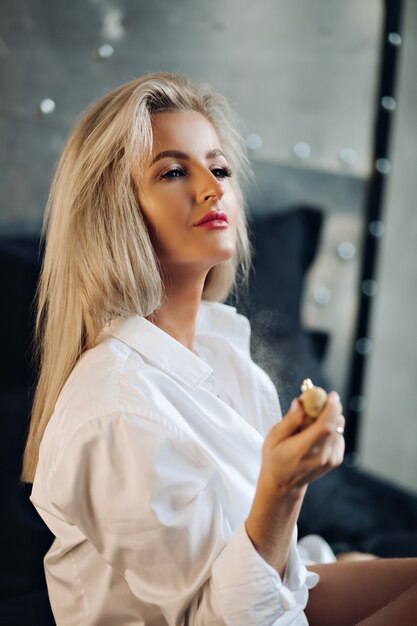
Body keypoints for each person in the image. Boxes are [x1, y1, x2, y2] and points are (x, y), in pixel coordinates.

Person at [23, 72, 417, 625]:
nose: (212, 187)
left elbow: (273, 582)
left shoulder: (226, 358)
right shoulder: (117, 409)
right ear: (116, 211)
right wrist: (281, 489)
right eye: (174, 171)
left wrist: (334, 564)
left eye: (219, 167)